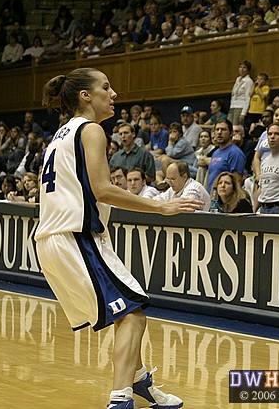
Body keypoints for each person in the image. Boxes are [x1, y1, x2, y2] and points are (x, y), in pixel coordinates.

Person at [36, 67, 203, 409]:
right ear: (86, 95)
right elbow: (103, 189)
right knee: (133, 314)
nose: (114, 94)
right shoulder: (91, 129)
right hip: (76, 236)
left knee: (125, 312)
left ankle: (139, 381)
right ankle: (120, 399)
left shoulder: (60, 135)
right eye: (105, 87)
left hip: (51, 239)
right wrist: (162, 208)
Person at [207, 119, 246, 192]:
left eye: (223, 129)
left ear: (231, 133)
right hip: (212, 197)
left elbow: (237, 182)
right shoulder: (215, 152)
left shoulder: (235, 153)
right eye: (217, 129)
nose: (219, 132)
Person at [228, 61, 255, 125]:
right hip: (232, 106)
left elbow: (248, 98)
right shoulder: (238, 80)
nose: (242, 69)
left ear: (248, 71)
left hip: (240, 107)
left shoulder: (249, 81)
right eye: (240, 67)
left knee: (235, 126)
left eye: (244, 68)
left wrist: (243, 113)